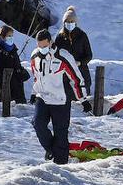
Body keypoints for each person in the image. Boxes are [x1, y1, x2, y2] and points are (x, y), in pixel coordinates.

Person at [29, 30, 89, 164]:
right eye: (40, 46)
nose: (42, 49)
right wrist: (34, 93)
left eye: (45, 46)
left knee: (60, 133)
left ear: (51, 42)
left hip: (60, 99)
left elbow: (76, 79)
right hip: (42, 97)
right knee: (38, 124)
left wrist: (83, 99)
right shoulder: (34, 56)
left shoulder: (63, 56)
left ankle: (61, 165)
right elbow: (36, 77)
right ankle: (50, 149)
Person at [53, 6, 93, 97]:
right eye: (67, 21)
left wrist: (80, 62)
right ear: (64, 22)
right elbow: (55, 55)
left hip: (82, 72)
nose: (70, 23)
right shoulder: (60, 37)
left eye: (72, 21)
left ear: (75, 22)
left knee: (83, 97)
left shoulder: (82, 36)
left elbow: (89, 55)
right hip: (66, 74)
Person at [0, 24, 27, 105]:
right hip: (5, 90)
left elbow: (17, 65)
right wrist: (12, 76)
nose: (11, 38)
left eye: (12, 36)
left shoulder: (13, 49)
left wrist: (21, 72)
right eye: (9, 36)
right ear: (2, 37)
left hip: (18, 89)